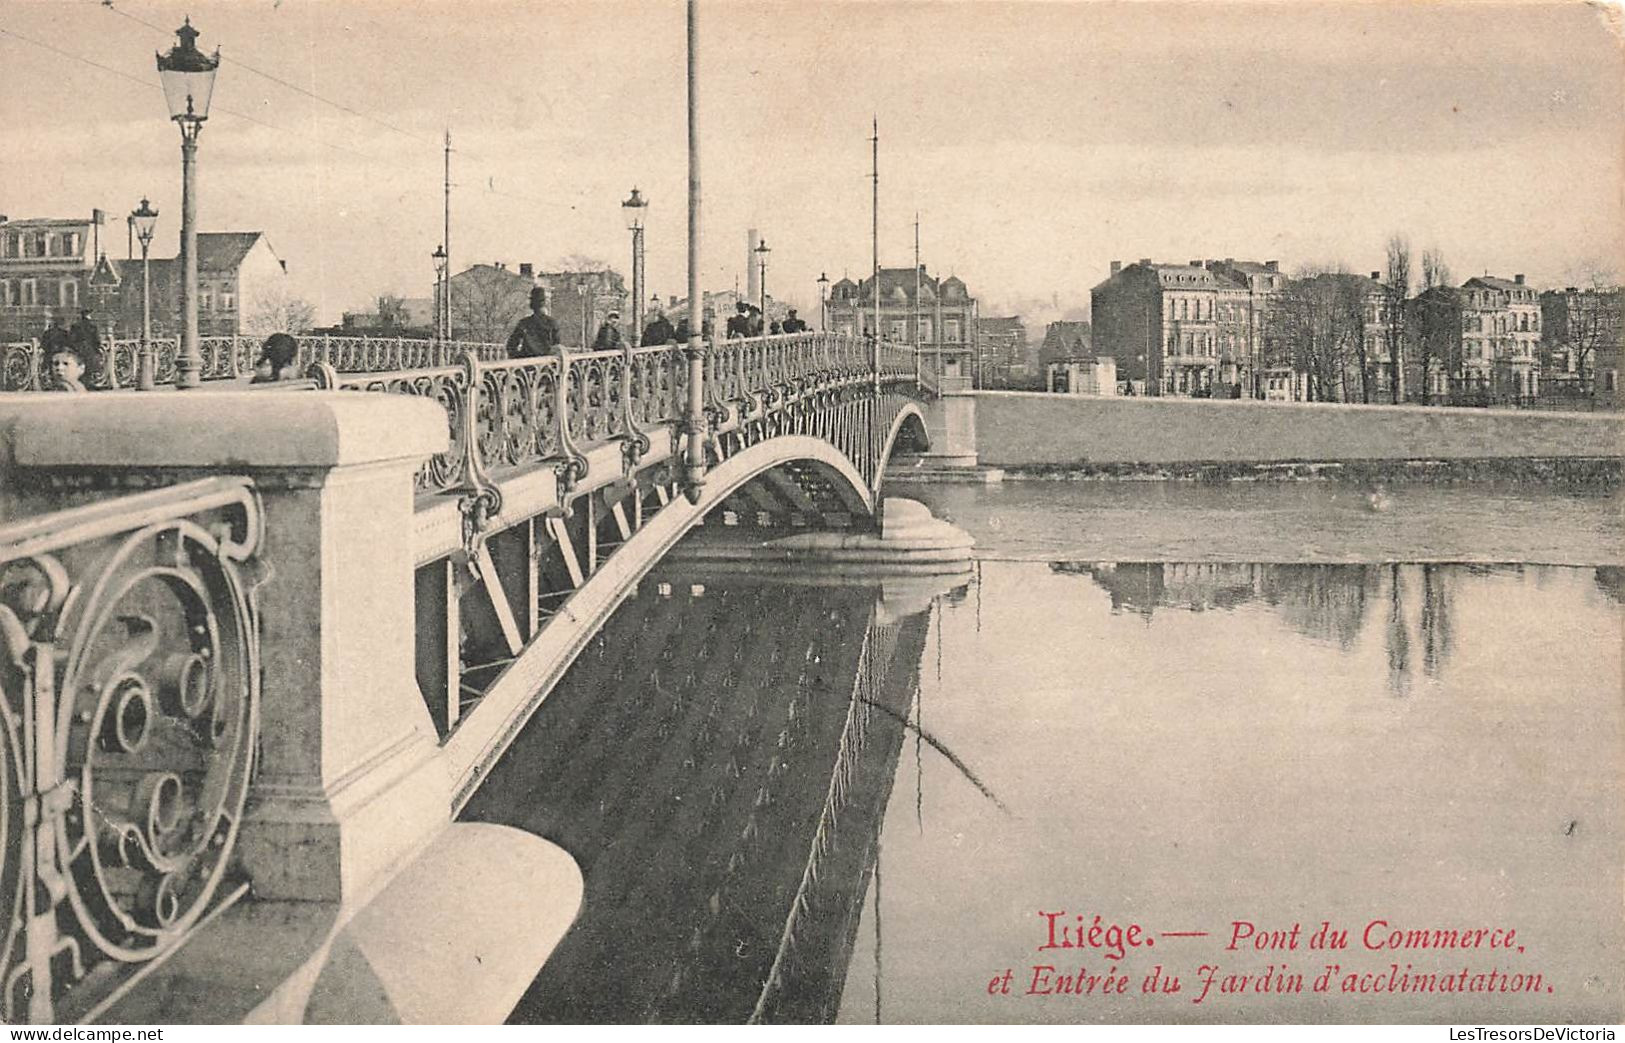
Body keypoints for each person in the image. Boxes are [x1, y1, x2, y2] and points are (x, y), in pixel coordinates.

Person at [506, 287, 560, 358]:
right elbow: (557, 347)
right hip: (546, 364)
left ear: (531, 305)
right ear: (544, 303)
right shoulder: (552, 323)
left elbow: (511, 345)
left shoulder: (524, 323)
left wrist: (520, 357)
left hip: (528, 364)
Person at [69, 309, 104, 387]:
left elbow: (71, 339)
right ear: (89, 315)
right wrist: (97, 348)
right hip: (89, 348)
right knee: (90, 365)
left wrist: (75, 347)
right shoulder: (92, 326)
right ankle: (89, 382)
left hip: (78, 348)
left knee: (79, 364)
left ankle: (80, 382)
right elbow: (97, 340)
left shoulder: (75, 325)